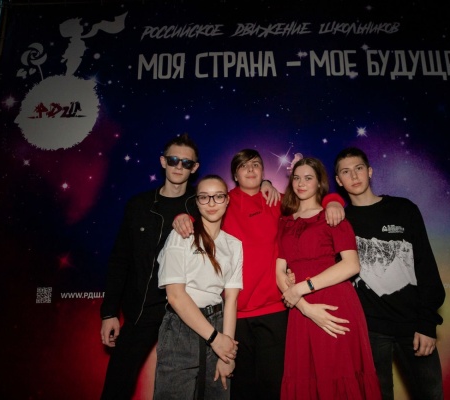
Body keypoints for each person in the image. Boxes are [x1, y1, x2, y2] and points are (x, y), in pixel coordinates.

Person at [173, 149, 346, 400]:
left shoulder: (277, 200)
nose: (251, 170)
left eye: (255, 165)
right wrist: (181, 217)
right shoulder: (224, 201)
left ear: (263, 172)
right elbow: (200, 214)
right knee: (241, 388)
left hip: (275, 309)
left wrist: (334, 201)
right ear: (235, 175)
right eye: (244, 166)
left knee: (274, 387)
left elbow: (311, 202)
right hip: (235, 312)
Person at [334, 147, 445, 400]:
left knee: (431, 395)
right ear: (339, 181)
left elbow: (426, 267)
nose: (354, 176)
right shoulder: (340, 221)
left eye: (359, 168)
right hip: (369, 331)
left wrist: (427, 324)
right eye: (346, 172)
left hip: (414, 325)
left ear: (370, 171)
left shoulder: (404, 209)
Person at [99, 133, 201, 400]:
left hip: (185, 312)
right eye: (173, 160)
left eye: (186, 163)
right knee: (116, 386)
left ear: (194, 168)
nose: (179, 167)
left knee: (186, 389)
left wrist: (266, 183)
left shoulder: (201, 205)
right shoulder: (139, 205)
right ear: (163, 161)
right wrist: (109, 312)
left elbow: (232, 197)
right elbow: (120, 260)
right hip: (142, 310)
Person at [276, 157, 381, 400]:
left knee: (339, 375)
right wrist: (305, 307)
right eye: (296, 178)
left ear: (319, 182)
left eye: (308, 178)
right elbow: (279, 271)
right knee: (305, 378)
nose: (301, 183)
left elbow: (351, 265)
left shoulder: (332, 215)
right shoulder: (284, 222)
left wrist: (301, 288)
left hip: (335, 304)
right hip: (301, 310)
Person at [154, 175, 242, 399]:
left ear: (227, 200)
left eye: (218, 196)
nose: (212, 203)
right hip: (181, 327)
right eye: (204, 197)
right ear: (197, 202)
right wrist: (215, 339)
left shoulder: (234, 245)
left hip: (219, 324)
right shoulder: (181, 236)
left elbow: (231, 300)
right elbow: (175, 296)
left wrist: (227, 353)